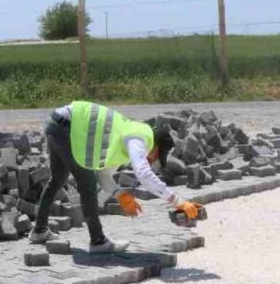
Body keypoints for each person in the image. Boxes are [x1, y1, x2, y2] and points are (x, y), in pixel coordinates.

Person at [29, 101, 203, 251]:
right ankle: (98, 242)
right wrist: (177, 201)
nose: (155, 160)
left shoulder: (124, 139)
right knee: (86, 183)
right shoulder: (139, 137)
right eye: (158, 156)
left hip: (57, 123)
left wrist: (120, 194)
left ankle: (39, 230)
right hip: (68, 126)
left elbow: (103, 175)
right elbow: (143, 173)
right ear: (156, 146)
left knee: (58, 179)